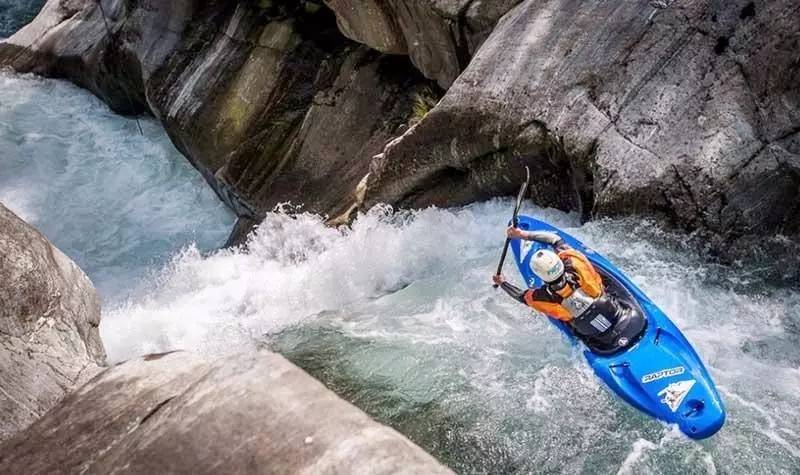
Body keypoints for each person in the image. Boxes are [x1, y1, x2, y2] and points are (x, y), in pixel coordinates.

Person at [492, 226, 644, 353]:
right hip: (629, 320)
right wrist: (522, 234)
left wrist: (503, 282)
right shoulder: (575, 262)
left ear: (540, 275)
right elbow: (554, 239)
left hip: (604, 344)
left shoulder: (542, 297)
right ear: (559, 261)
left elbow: (521, 296)